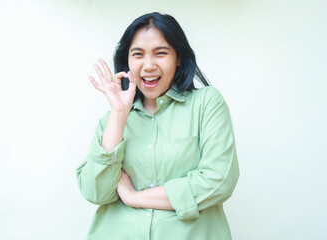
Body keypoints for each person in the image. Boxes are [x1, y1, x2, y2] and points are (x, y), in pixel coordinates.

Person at [76, 12, 239, 240]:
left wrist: (134, 197)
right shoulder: (111, 120)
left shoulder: (206, 103)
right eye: (138, 54)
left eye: (161, 53)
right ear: (128, 60)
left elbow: (219, 181)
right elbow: (96, 192)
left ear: (178, 57)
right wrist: (120, 114)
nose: (149, 65)